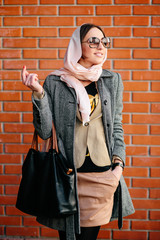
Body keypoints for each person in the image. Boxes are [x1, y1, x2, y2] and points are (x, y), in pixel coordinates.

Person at [22, 23, 135, 240]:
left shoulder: (112, 80)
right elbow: (45, 132)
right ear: (77, 45)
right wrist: (38, 95)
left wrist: (118, 166)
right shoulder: (55, 81)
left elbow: (117, 126)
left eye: (104, 41)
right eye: (93, 41)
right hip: (66, 177)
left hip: (103, 176)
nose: (100, 46)